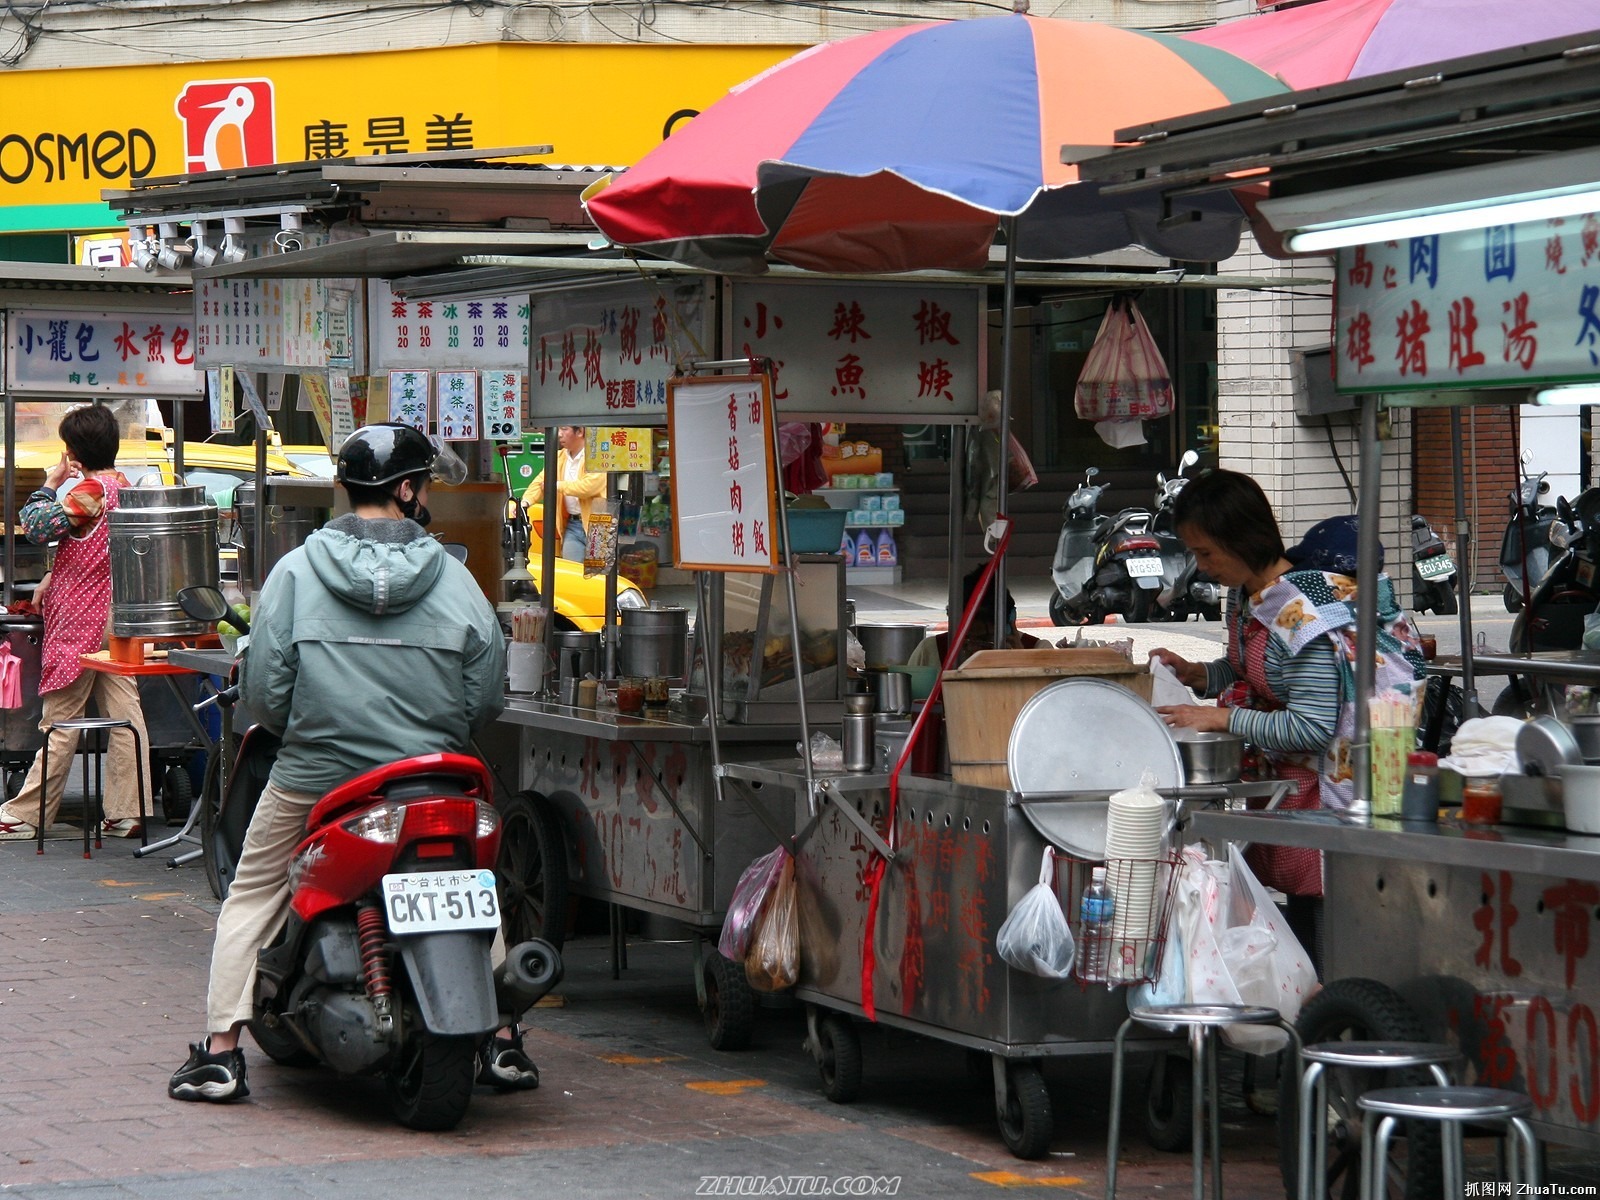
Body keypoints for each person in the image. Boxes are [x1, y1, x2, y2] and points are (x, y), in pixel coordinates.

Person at [167, 424, 529, 1103]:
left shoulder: (297, 572)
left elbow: (267, 695)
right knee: (471, 882)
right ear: (408, 489)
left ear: (344, 487)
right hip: (431, 776)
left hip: (317, 774)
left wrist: (309, 727)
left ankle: (219, 1054)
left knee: (252, 892)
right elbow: (485, 698)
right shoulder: (456, 579)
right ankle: (504, 1042)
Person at [1150, 473, 1423, 967]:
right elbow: (1247, 669)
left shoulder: (1300, 614)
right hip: (1290, 786)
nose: (1202, 567)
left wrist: (1221, 717)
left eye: (1207, 552)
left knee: (1322, 931)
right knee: (1293, 919)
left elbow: (1314, 726)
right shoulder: (1251, 597)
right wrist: (1197, 674)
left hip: (1334, 788)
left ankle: (1327, 1025)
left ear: (1242, 540)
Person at [0, 404, 152, 841]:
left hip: (81, 621)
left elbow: (36, 527)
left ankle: (27, 814)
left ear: (73, 452)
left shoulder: (91, 490)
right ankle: (129, 809)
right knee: (126, 713)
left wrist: (49, 483)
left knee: (61, 718)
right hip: (117, 618)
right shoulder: (124, 486)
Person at [907, 564, 1043, 670]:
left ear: (1007, 626)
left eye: (983, 640)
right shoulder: (930, 651)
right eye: (964, 639)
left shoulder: (1039, 650)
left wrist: (1023, 662)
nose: (971, 649)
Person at [520, 425, 605, 562]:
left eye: (564, 429)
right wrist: (525, 503)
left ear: (580, 431)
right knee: (573, 572)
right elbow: (540, 482)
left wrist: (556, 485)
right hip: (572, 524)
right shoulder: (559, 457)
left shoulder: (597, 456)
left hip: (598, 524)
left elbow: (588, 487)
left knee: (599, 575)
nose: (559, 434)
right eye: (559, 429)